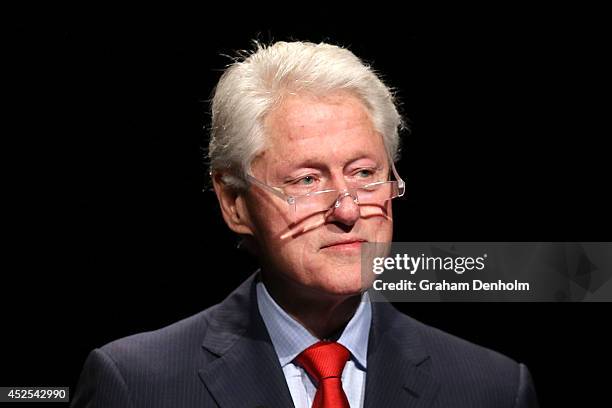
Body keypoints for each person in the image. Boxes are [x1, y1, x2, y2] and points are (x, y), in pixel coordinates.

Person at [72, 41, 539, 407]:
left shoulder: (493, 387)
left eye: (364, 173)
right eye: (307, 179)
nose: (348, 211)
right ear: (234, 203)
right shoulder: (138, 385)